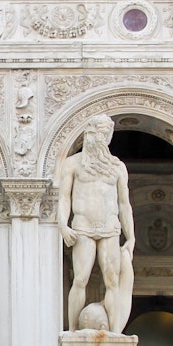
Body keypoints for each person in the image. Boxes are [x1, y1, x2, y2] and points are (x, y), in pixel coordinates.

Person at [57, 114, 135, 333]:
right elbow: (64, 198)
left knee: (112, 282)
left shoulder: (117, 167)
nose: (103, 138)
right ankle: (72, 331)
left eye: (107, 134)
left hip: (110, 228)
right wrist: (63, 224)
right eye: (99, 132)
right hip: (83, 227)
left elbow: (124, 204)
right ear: (89, 134)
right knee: (80, 278)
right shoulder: (73, 164)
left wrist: (131, 237)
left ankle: (115, 333)